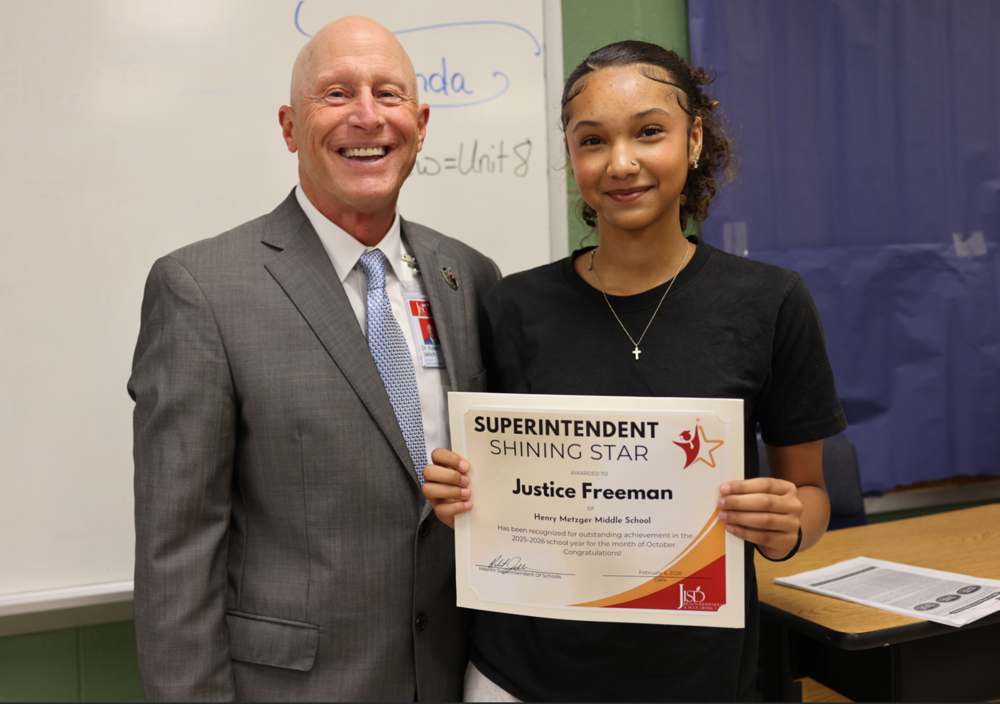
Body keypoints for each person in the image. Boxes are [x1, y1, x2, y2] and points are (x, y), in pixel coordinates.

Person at [422, 40, 847, 702]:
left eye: (649, 132)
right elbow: (497, 490)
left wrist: (789, 526)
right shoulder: (513, 306)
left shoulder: (770, 303)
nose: (621, 163)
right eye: (592, 141)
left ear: (695, 138)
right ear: (571, 154)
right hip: (522, 676)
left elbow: (811, 496)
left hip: (695, 675)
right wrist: (465, 502)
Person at [128, 16, 499, 702]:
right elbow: (176, 555)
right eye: (335, 94)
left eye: (387, 95)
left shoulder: (471, 277)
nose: (367, 116)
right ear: (289, 126)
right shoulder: (202, 289)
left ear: (419, 123)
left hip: (453, 677)